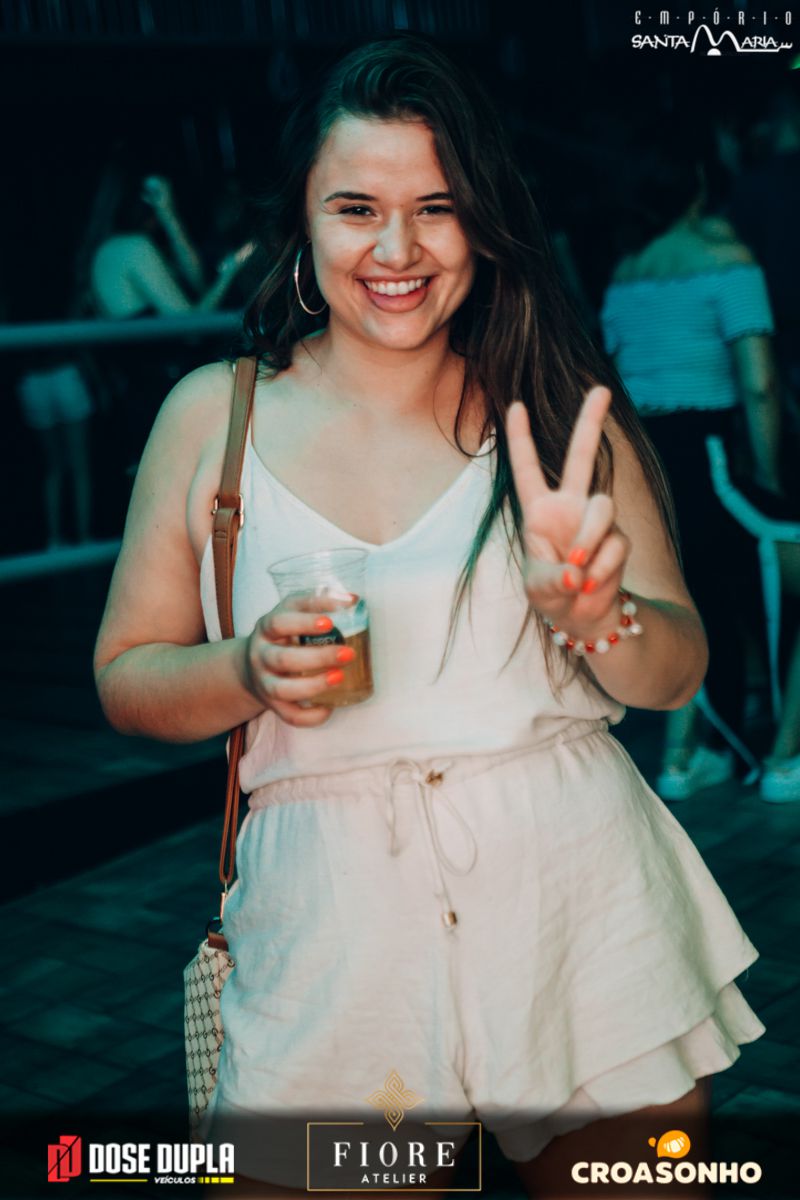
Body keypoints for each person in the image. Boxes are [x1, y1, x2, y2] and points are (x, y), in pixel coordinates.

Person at [93, 35, 766, 1200]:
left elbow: (673, 671)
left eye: (436, 209)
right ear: (300, 222)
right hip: (333, 938)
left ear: (484, 225)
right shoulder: (211, 416)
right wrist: (248, 668)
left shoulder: (558, 412)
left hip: (579, 906)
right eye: (356, 208)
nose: (396, 251)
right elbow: (126, 674)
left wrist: (599, 615)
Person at [600, 126, 788, 800]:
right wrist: (770, 479)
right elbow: (759, 384)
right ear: (702, 183)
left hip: (642, 459)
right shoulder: (726, 258)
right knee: (747, 584)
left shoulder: (626, 271)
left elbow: (616, 379)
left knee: (691, 589)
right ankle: (775, 756)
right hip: (709, 453)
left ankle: (689, 757)